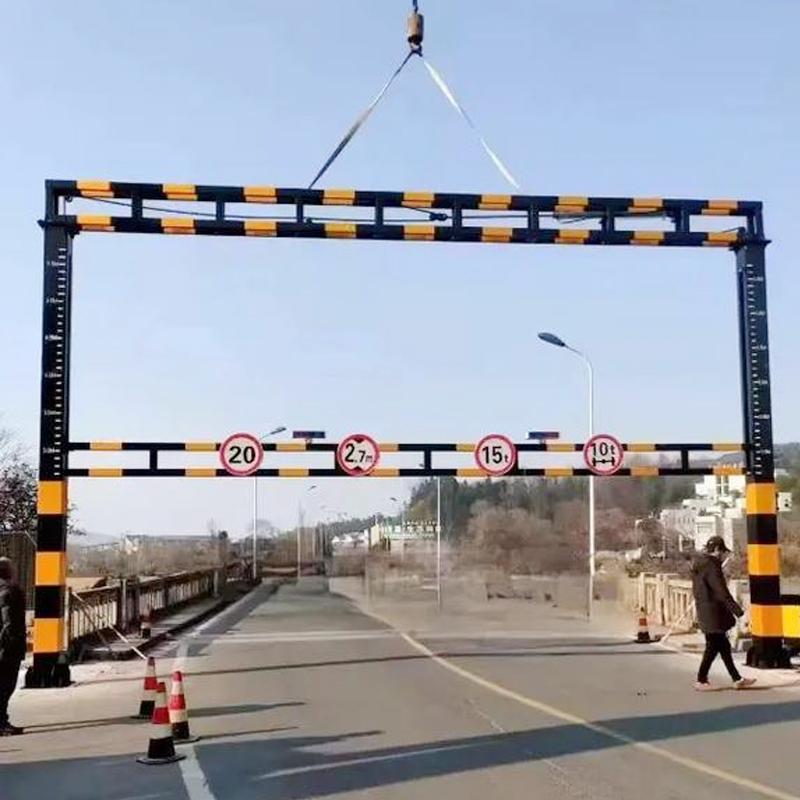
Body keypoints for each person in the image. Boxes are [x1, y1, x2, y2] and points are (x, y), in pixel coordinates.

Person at [691, 536, 755, 691]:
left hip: (705, 610)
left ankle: (736, 678)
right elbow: (722, 592)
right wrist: (739, 612)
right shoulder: (712, 566)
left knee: (723, 646)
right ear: (717, 550)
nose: (723, 555)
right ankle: (701, 680)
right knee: (712, 647)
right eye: (722, 551)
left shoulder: (699, 565)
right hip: (714, 613)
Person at [0, 557, 26, 734]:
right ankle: (1, 723)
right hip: (7, 648)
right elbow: (9, 622)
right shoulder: (8, 592)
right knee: (5, 686)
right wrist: (13, 642)